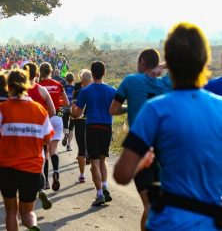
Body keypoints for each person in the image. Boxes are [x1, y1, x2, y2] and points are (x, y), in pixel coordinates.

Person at [114, 22, 222, 230]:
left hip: (168, 221)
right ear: (205, 61)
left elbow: (122, 173)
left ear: (169, 62)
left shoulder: (154, 110)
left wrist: (142, 161)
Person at [0, 69, 54, 231]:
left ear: (9, 86)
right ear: (26, 86)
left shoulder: (1, 109)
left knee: (11, 212)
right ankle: (32, 226)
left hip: (8, 168)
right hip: (33, 168)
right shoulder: (40, 110)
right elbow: (47, 140)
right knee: (28, 212)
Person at [109, 49, 172, 231]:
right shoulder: (167, 83)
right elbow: (183, 61)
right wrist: (164, 65)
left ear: (142, 61)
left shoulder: (130, 81)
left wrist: (130, 107)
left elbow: (113, 110)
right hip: (166, 150)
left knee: (150, 206)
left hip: (140, 150)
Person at [72, 61, 116, 206]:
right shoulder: (112, 90)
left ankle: (99, 194)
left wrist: (74, 111)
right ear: (104, 73)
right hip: (107, 127)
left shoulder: (85, 91)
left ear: (92, 73)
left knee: (94, 163)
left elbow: (78, 114)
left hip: (92, 127)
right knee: (102, 160)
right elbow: (116, 109)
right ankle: (105, 186)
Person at [24, 62, 56, 210]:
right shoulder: (42, 90)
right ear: (36, 75)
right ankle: (41, 188)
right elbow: (53, 111)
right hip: (40, 130)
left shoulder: (19, 90)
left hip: (23, 131)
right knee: (41, 159)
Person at [39, 62, 69, 191]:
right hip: (57, 118)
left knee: (44, 152)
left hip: (44, 119)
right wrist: (58, 101)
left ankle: (45, 182)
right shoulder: (58, 85)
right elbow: (67, 103)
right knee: (53, 150)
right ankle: (56, 171)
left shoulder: (39, 86)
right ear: (51, 71)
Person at [72, 69, 92, 183]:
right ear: (91, 79)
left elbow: (74, 107)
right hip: (93, 121)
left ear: (81, 79)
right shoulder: (95, 89)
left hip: (80, 121)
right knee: (94, 149)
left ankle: (82, 174)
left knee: (81, 148)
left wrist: (73, 115)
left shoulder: (78, 89)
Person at [61, 72, 75, 151]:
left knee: (65, 124)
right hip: (72, 108)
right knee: (71, 128)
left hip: (65, 108)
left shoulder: (63, 87)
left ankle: (65, 134)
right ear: (73, 79)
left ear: (66, 79)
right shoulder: (75, 88)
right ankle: (69, 146)